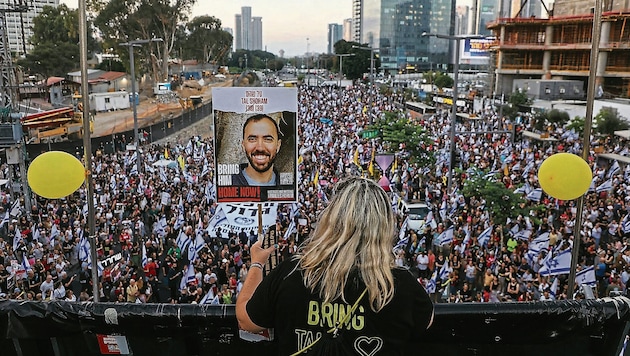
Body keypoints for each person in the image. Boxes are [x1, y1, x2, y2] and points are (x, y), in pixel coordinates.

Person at [236, 177, 434, 355]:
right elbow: (427, 322)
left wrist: (257, 264)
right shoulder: (400, 284)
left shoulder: (292, 271)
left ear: (330, 219)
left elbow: (246, 321)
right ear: (383, 227)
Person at [232, 114, 282, 186]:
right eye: (252, 139)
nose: (260, 148)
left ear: (278, 145)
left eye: (268, 139)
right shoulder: (228, 183)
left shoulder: (290, 185)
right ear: (243, 145)